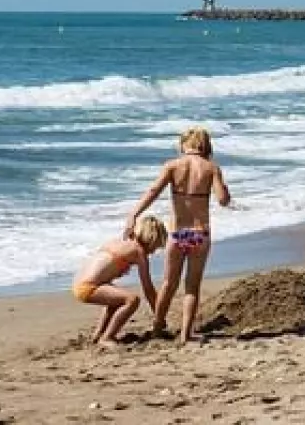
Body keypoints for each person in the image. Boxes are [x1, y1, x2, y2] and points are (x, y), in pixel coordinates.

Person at [124, 126, 232, 345]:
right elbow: (223, 200)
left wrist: (134, 214)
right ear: (205, 146)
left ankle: (157, 327)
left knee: (168, 284)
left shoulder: (173, 166)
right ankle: (186, 334)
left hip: (177, 233)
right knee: (192, 286)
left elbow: (153, 191)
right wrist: (225, 189)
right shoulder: (211, 168)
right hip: (199, 234)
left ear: (184, 145)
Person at [71, 215, 167, 347]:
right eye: (156, 246)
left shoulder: (118, 242)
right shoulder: (139, 253)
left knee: (116, 301)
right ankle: (107, 337)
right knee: (132, 300)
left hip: (78, 282)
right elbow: (148, 288)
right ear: (152, 239)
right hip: (88, 287)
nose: (154, 251)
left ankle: (98, 334)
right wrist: (159, 316)